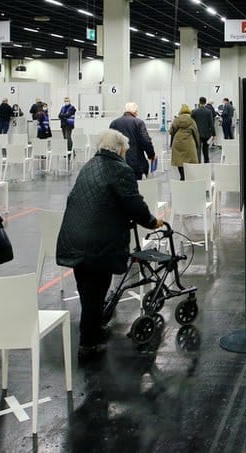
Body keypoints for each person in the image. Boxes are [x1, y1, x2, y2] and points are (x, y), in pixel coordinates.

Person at [56, 129, 163, 362]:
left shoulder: (90, 165)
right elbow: (133, 204)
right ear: (119, 149)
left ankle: (92, 330)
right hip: (98, 243)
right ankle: (88, 345)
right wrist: (152, 221)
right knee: (97, 291)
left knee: (87, 292)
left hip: (74, 238)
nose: (126, 152)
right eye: (125, 149)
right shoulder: (120, 170)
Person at [109, 102, 156, 180]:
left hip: (118, 161)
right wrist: (151, 155)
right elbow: (146, 141)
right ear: (134, 112)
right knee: (135, 186)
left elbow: (110, 143)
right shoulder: (139, 123)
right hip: (136, 162)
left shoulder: (114, 123)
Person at [168, 104, 200, 180]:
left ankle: (182, 176)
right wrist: (197, 144)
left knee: (179, 160)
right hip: (189, 142)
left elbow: (171, 131)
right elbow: (196, 132)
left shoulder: (176, 119)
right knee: (189, 160)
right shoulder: (192, 121)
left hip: (177, 142)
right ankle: (188, 177)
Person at [191, 97, 216, 163]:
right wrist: (214, 134)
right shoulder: (209, 112)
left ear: (199, 102)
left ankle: (198, 162)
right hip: (206, 133)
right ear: (205, 102)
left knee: (197, 149)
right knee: (205, 149)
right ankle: (206, 162)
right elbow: (211, 124)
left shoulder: (194, 111)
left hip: (197, 133)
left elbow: (191, 122)